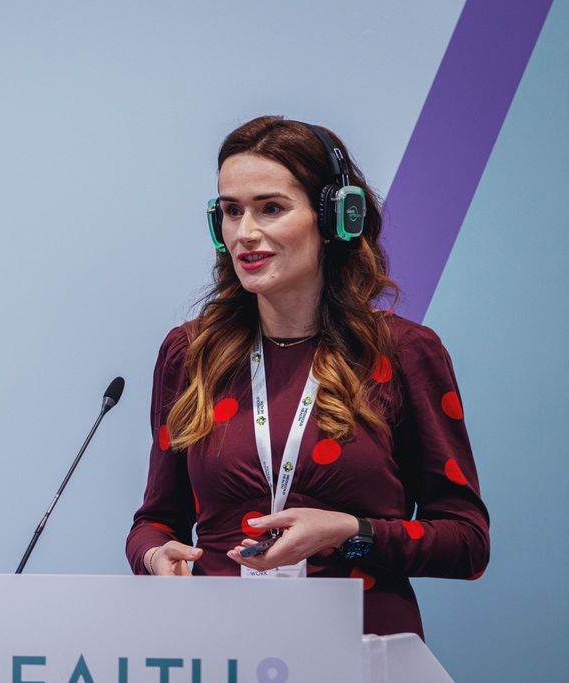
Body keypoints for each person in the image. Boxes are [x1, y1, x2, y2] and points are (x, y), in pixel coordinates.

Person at [125, 115, 489, 638]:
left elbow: (468, 542)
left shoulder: (406, 353)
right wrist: (155, 556)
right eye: (231, 211)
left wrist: (348, 533)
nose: (245, 233)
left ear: (335, 218)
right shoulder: (191, 353)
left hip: (362, 651)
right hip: (220, 648)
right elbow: (154, 521)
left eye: (271, 208)